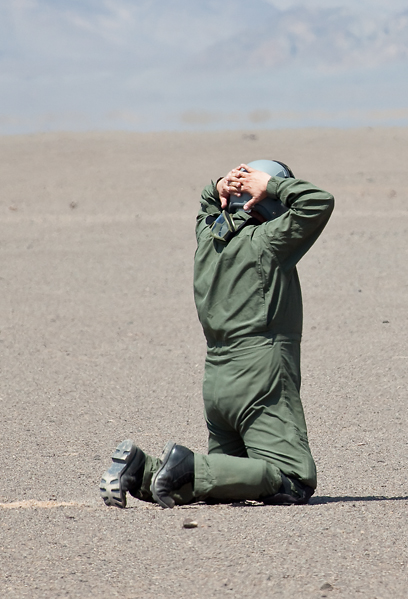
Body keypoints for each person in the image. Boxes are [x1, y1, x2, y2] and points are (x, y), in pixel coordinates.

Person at [100, 159, 334, 508]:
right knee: (292, 479)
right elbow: (318, 202)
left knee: (223, 480)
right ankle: (185, 464)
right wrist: (271, 186)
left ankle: (142, 470)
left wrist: (220, 188)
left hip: (217, 381)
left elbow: (206, 206)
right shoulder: (268, 242)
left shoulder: (209, 239)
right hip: (260, 375)